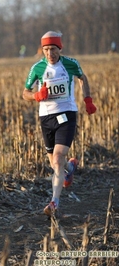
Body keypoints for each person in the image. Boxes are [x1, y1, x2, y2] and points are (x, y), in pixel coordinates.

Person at [22, 31, 97, 218]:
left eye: (53, 49)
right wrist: (36, 96)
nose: (49, 54)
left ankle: (54, 202)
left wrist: (87, 99)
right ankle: (69, 170)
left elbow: (83, 78)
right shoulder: (37, 68)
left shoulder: (70, 64)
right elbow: (25, 92)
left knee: (57, 158)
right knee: (57, 165)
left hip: (67, 114)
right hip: (46, 118)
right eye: (46, 50)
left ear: (59, 48)